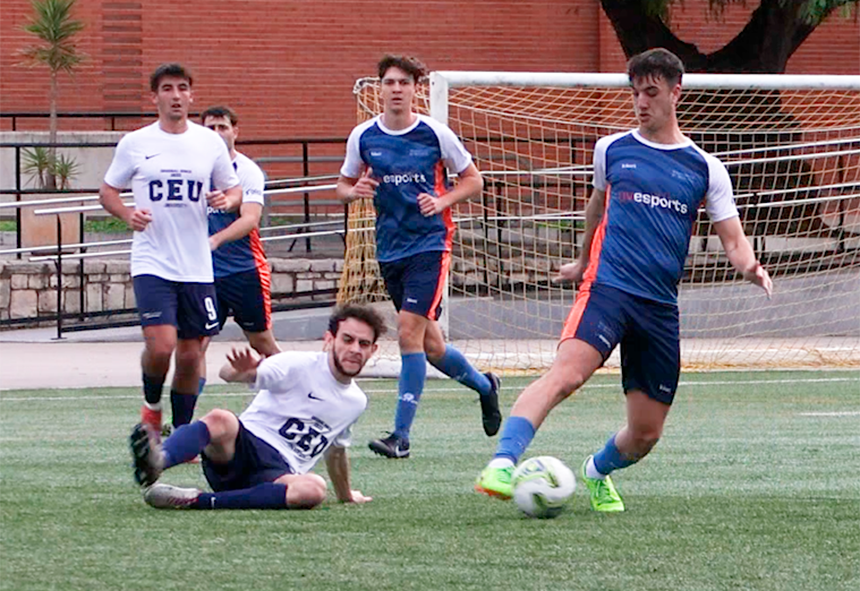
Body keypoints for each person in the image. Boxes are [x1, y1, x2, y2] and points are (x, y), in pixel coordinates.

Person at [475, 48, 773, 511]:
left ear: (676, 92)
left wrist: (750, 266)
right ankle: (503, 462)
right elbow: (596, 210)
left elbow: (733, 241)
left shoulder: (705, 168)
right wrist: (579, 262)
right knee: (565, 376)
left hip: (658, 308)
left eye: (651, 92)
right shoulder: (612, 149)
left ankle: (597, 470)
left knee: (646, 433)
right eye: (635, 93)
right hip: (608, 288)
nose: (640, 102)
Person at [336, 54, 501, 459]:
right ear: (380, 87)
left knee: (407, 331)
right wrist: (353, 191)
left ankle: (400, 436)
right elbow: (342, 184)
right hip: (389, 247)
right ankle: (485, 386)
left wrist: (442, 200)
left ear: (416, 90)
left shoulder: (435, 134)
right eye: (389, 82)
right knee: (431, 347)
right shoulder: (363, 136)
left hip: (430, 243)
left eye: (403, 83)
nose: (396, 89)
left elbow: (473, 180)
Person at [99, 63, 242, 436]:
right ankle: (151, 406)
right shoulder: (136, 143)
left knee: (191, 355)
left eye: (182, 88)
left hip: (195, 265)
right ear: (155, 97)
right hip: (152, 261)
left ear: (191, 95)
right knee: (162, 346)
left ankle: (181, 431)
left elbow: (234, 190)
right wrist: (127, 214)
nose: (175, 95)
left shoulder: (208, 142)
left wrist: (224, 200)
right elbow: (108, 191)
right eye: (167, 89)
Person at [128, 304, 386, 510]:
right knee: (222, 418)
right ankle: (158, 460)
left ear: (373, 350)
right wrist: (241, 370)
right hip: (240, 448)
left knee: (314, 488)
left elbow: (336, 451)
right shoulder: (295, 364)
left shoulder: (356, 401)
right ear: (329, 339)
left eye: (363, 344)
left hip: (277, 475)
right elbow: (229, 374)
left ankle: (195, 500)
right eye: (348, 339)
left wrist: (346, 495)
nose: (354, 349)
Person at [195, 105, 280, 403]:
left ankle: (294, 394)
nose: (216, 134)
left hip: (244, 271)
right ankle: (184, 415)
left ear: (235, 132)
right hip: (203, 274)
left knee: (261, 342)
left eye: (222, 127)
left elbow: (250, 218)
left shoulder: (246, 171)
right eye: (210, 128)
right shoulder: (194, 169)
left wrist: (215, 240)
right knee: (196, 343)